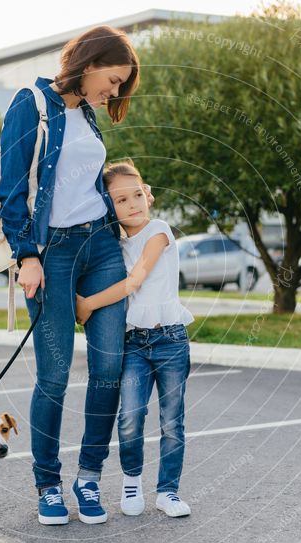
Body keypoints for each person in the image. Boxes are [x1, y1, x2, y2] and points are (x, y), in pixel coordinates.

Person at [0, 26, 146, 525]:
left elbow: (89, 183)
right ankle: (47, 485)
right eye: (114, 79)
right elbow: (12, 189)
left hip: (101, 247)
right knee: (55, 377)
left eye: (121, 85)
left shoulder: (87, 114)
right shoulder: (31, 103)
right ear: (88, 61)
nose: (115, 92)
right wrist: (27, 255)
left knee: (108, 370)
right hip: (52, 254)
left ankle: (88, 477)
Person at [76, 161, 194, 518]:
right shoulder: (115, 246)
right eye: (122, 200)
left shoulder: (159, 231)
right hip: (134, 345)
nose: (133, 204)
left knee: (172, 420)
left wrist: (88, 305)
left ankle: (168, 491)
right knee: (129, 416)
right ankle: (132, 484)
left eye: (137, 195)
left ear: (149, 195)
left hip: (171, 340)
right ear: (110, 208)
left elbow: (135, 280)